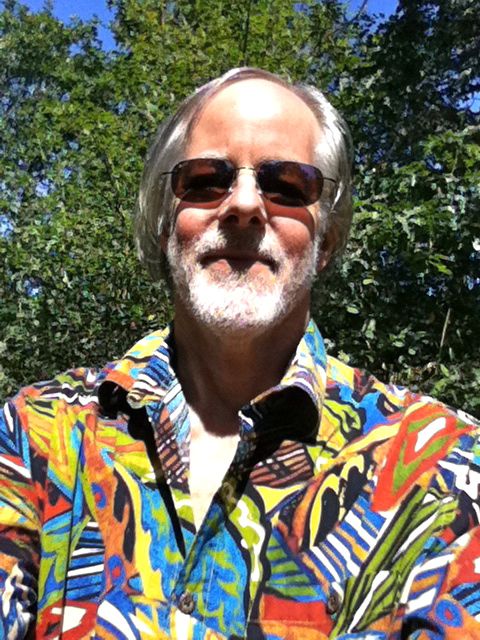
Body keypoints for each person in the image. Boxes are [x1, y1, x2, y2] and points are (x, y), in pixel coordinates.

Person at [0, 67, 479, 640]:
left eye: (288, 185)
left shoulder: (444, 466)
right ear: (165, 225)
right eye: (206, 180)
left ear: (326, 241)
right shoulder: (34, 438)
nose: (245, 204)